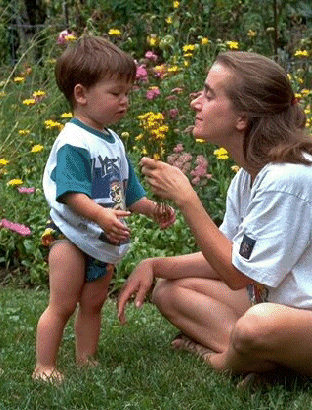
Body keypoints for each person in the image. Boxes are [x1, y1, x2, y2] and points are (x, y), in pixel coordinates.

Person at [117, 51, 312, 384]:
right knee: (169, 291)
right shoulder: (249, 176)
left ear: (242, 117)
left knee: (258, 324)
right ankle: (265, 360)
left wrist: (187, 199)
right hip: (295, 313)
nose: (195, 103)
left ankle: (223, 360)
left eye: (209, 95)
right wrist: (155, 265)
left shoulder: (287, 178)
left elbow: (235, 275)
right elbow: (229, 256)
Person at [33, 35, 175, 382]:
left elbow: (128, 193)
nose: (125, 101)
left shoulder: (113, 142)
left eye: (128, 93)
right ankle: (44, 366)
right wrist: (100, 215)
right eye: (115, 93)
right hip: (70, 236)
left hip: (102, 239)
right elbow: (70, 193)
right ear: (81, 94)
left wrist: (151, 209)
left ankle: (86, 359)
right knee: (62, 305)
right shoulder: (74, 141)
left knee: (93, 304)